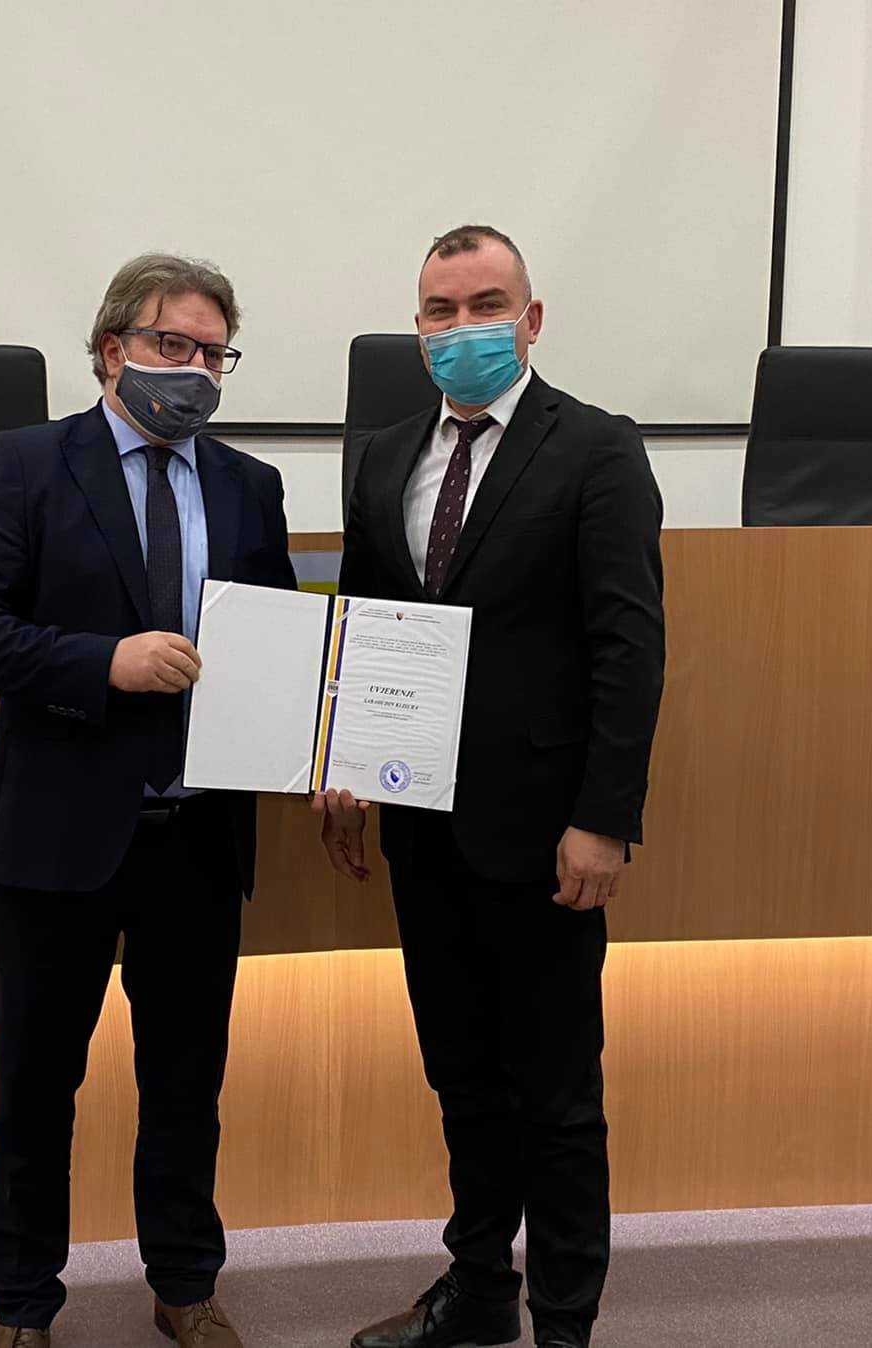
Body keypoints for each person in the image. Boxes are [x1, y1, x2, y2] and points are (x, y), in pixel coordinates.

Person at [0, 252, 296, 1348]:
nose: (195, 370)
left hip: (199, 839)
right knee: (34, 1087)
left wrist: (328, 736)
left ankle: (185, 1284)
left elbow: (275, 647)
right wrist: (105, 663)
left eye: (213, 353)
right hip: (54, 837)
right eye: (173, 344)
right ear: (111, 350)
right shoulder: (27, 463)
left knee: (187, 1085)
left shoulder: (249, 484)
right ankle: (23, 1303)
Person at [320, 225, 665, 1348]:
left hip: (544, 834)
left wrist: (604, 819)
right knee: (462, 1080)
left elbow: (629, 648)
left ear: (531, 319)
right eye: (439, 310)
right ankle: (478, 1294)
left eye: (483, 305)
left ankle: (565, 1324)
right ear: (417, 328)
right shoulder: (382, 455)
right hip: (421, 829)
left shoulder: (598, 448)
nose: (460, 327)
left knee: (557, 1098)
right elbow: (367, 625)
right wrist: (343, 765)